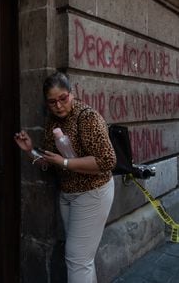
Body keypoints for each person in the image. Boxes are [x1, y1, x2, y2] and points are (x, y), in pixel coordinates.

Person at [14, 72, 116, 283]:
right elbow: (50, 162)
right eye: (52, 102)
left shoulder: (87, 117)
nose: (59, 105)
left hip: (93, 193)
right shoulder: (52, 122)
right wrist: (30, 151)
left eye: (63, 98)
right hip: (68, 195)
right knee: (82, 259)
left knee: (77, 259)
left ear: (72, 93)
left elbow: (107, 161)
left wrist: (66, 163)